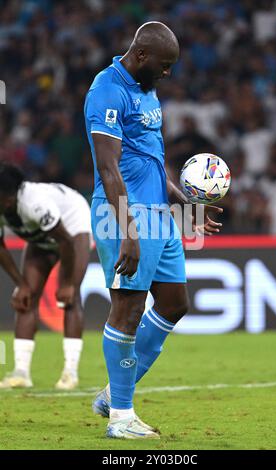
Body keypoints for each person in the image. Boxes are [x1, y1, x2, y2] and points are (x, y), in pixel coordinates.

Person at [84, 22, 222, 439]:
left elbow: (152, 160)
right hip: (124, 214)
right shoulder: (107, 91)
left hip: (159, 214)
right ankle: (122, 418)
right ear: (141, 55)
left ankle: (113, 394)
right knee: (127, 308)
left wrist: (187, 207)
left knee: (174, 302)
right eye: (164, 65)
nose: (168, 73)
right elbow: (108, 168)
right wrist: (127, 228)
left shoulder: (146, 89)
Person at [0, 163, 91, 390]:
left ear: (9, 199)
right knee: (25, 298)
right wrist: (20, 284)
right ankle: (21, 372)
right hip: (41, 235)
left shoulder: (34, 203)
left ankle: (70, 372)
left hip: (72, 225)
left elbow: (65, 241)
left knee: (68, 297)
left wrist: (68, 282)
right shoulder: (7, 202)